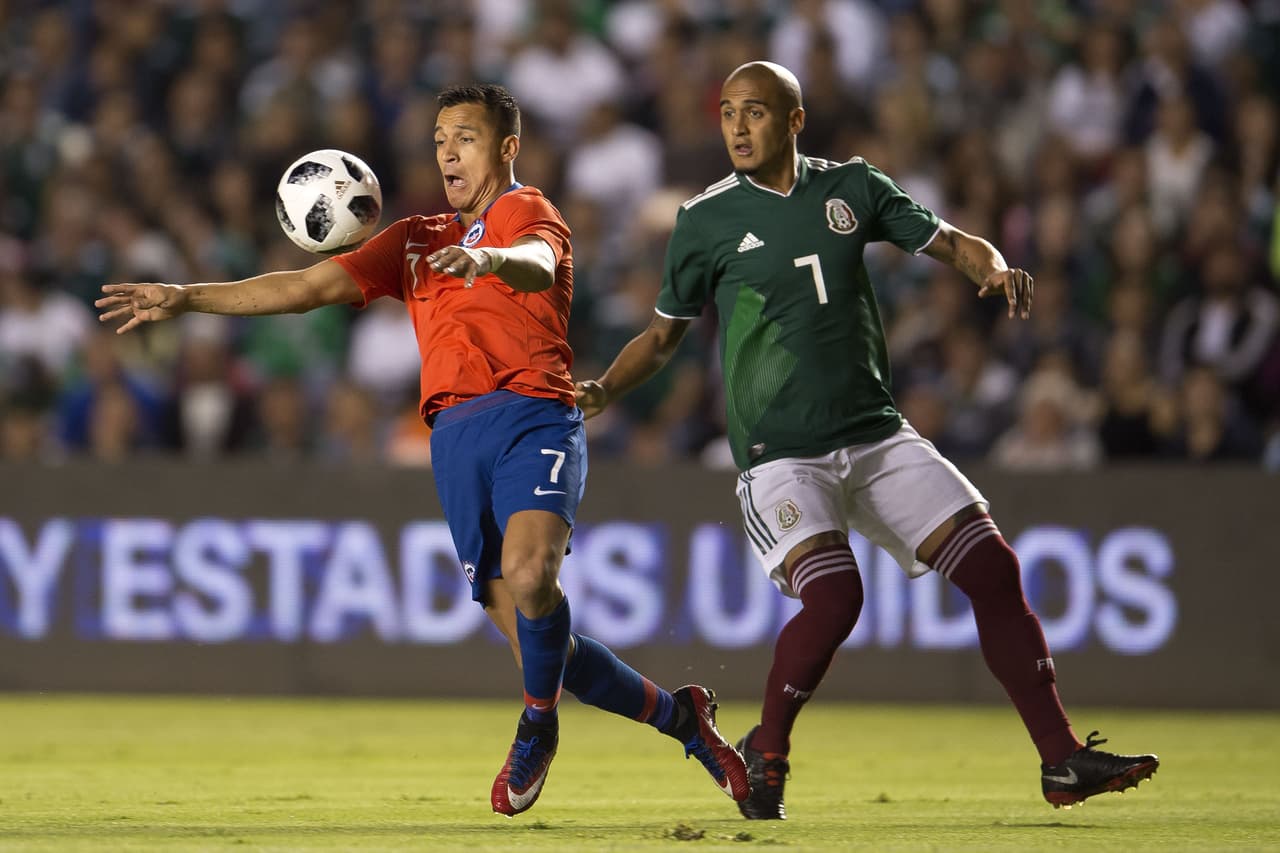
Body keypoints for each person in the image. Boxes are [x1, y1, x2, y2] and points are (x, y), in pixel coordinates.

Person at [97, 84, 748, 817]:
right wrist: (188, 296)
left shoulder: (524, 211)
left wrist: (491, 261)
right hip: (455, 439)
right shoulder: (413, 238)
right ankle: (682, 716)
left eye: (465, 136)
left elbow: (536, 258)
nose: (447, 150)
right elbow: (305, 286)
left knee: (534, 576)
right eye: (440, 138)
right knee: (546, 651)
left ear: (506, 147)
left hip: (535, 412)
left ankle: (536, 725)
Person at [576, 62, 1159, 820]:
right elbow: (661, 337)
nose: (738, 127)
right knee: (837, 593)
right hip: (780, 453)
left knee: (992, 566)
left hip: (877, 434)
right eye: (726, 113)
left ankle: (1061, 760)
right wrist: (601, 390)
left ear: (794, 120)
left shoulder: (852, 188)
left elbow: (948, 239)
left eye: (755, 112)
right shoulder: (704, 219)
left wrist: (990, 262)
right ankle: (769, 749)